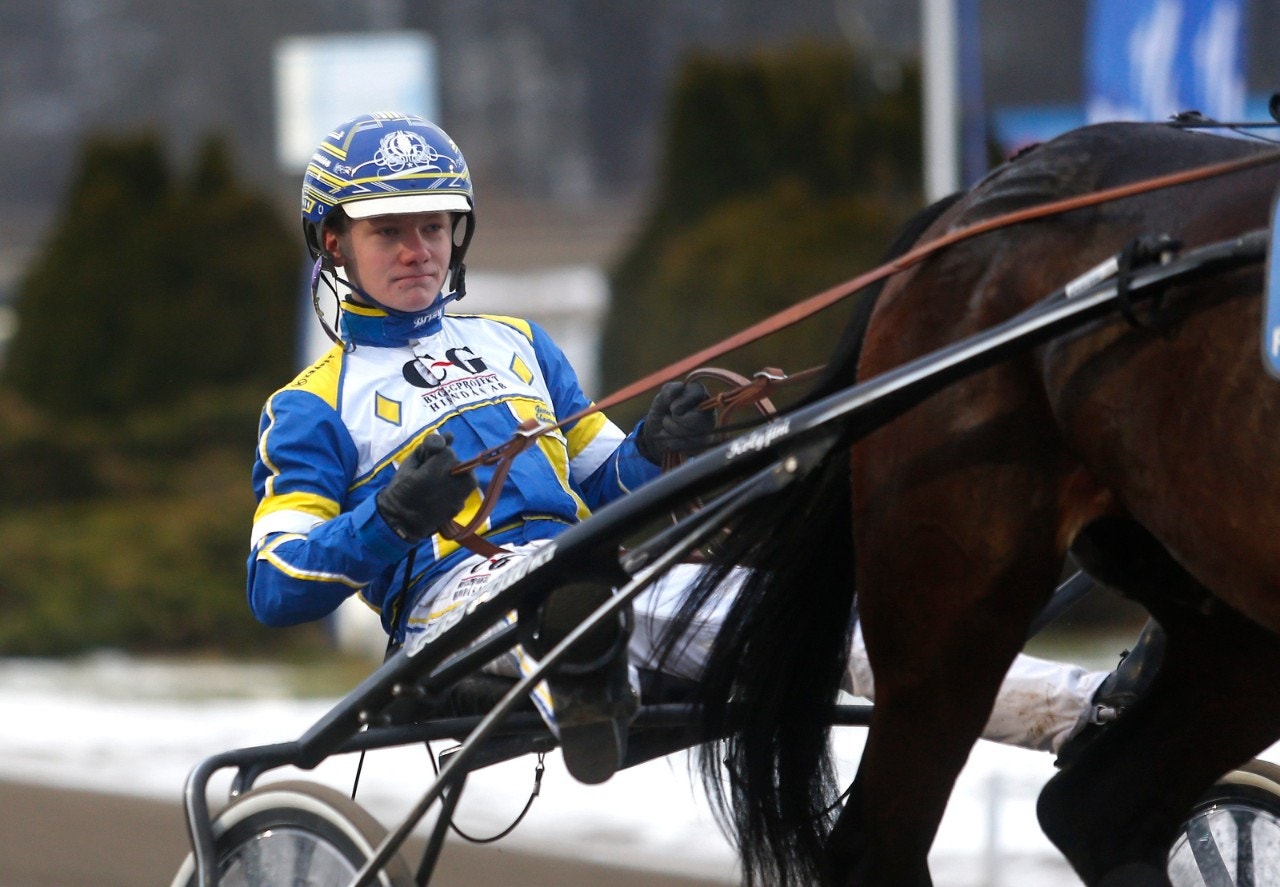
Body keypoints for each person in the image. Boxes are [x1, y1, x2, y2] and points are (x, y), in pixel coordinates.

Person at [248, 111, 1152, 785]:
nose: (419, 250)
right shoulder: (309, 406)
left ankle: (1090, 710)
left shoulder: (518, 345)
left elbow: (608, 484)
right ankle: (582, 665)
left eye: (434, 227)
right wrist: (393, 516)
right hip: (453, 621)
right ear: (333, 239)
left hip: (600, 575)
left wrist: (658, 449)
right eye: (389, 231)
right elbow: (277, 583)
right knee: (567, 586)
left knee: (822, 622)